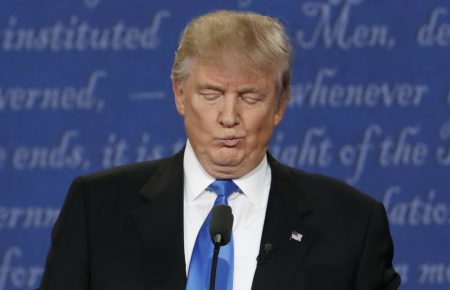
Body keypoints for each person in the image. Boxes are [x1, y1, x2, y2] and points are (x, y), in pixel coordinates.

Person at [39, 10, 401, 290]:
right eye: (211, 95)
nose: (229, 116)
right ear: (180, 95)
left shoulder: (352, 223)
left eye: (250, 97)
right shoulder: (97, 208)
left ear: (280, 103)